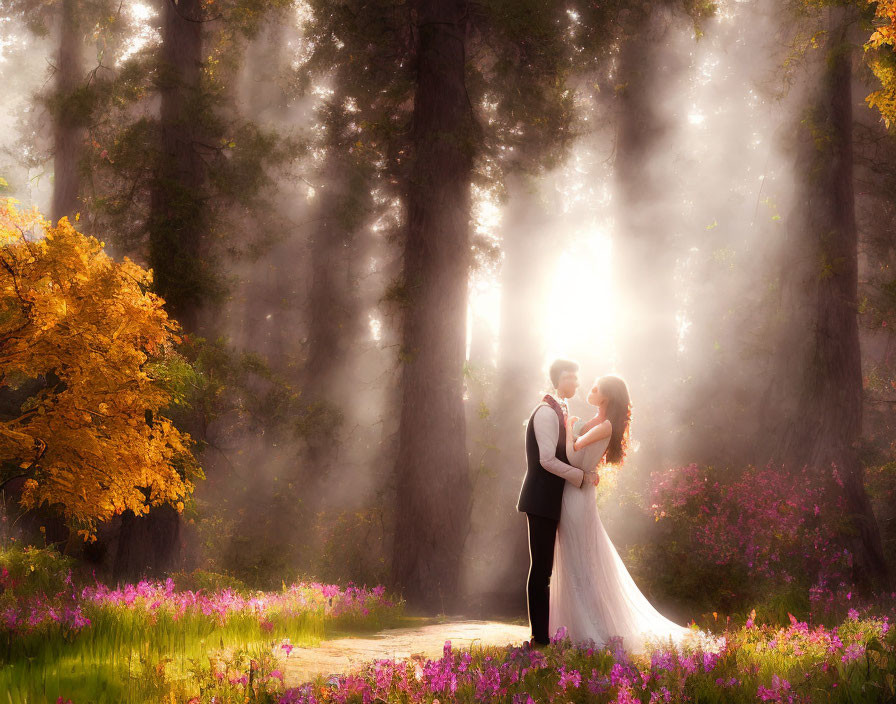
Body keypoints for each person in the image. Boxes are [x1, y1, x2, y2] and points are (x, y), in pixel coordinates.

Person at [547, 374, 707, 654]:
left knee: (578, 558)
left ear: (606, 396)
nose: (591, 390)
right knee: (576, 556)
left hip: (577, 496)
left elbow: (573, 456)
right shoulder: (597, 421)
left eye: (596, 388)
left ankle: (586, 627)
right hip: (576, 491)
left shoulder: (606, 425)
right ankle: (571, 625)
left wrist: (569, 428)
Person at [516, 358, 589, 649]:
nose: (575, 383)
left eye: (576, 377)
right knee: (542, 568)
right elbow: (546, 460)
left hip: (552, 500)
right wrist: (580, 476)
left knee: (547, 567)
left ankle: (546, 633)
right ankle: (540, 637)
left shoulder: (560, 410)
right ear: (557, 380)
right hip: (540, 499)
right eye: (570, 378)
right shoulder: (546, 412)